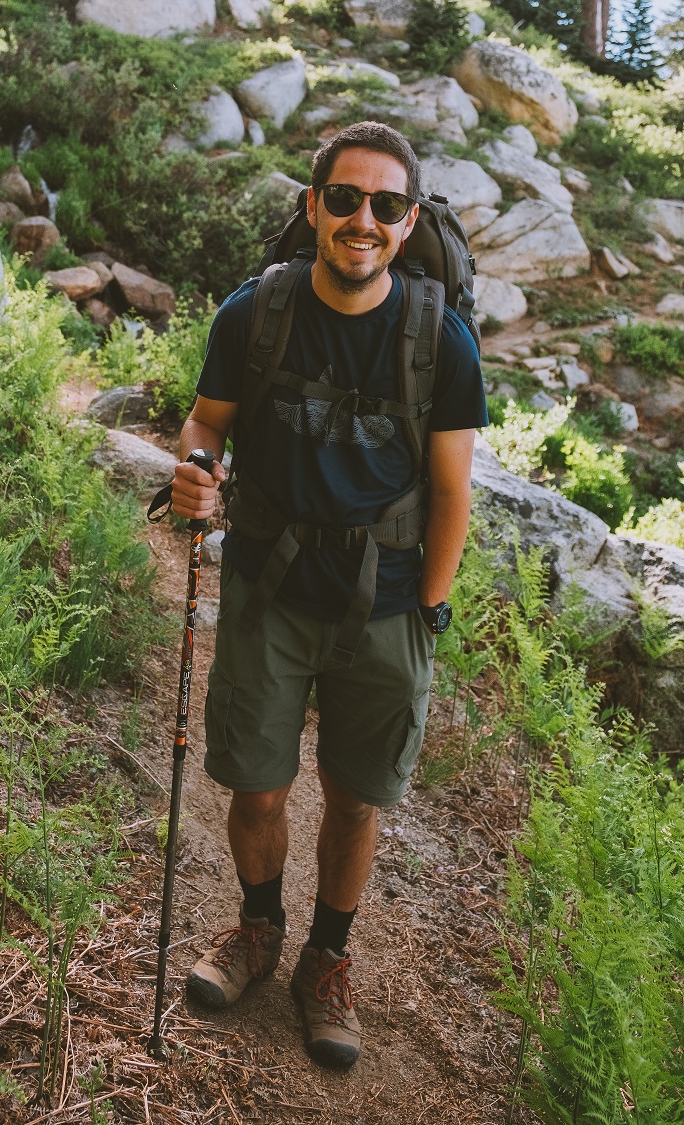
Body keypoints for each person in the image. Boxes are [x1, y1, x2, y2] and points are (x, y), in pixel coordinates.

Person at [170, 121, 486, 1069]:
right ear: (312, 207)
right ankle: (259, 930)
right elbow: (205, 427)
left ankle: (326, 959)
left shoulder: (443, 343)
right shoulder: (253, 315)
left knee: (355, 799)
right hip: (269, 589)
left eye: (386, 206)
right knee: (258, 785)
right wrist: (194, 471)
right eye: (344, 199)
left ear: (409, 220)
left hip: (387, 607)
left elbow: (451, 492)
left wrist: (427, 610)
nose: (363, 219)